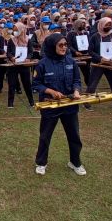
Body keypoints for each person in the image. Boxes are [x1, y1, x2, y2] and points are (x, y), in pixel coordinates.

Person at [31, 33, 86, 176]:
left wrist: (76, 91)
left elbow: (77, 81)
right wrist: (50, 91)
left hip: (70, 106)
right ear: (51, 46)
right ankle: (41, 163)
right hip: (51, 106)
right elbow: (36, 85)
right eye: (60, 45)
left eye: (65, 45)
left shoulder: (71, 61)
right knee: (45, 136)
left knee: (74, 136)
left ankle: (75, 162)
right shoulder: (42, 63)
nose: (64, 48)